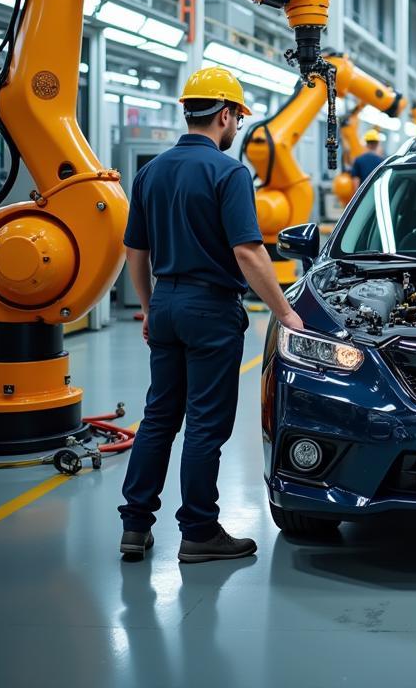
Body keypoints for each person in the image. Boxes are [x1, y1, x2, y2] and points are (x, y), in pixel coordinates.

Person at [118, 66, 305, 564]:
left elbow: (135, 250)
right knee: (204, 423)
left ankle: (135, 527)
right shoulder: (230, 173)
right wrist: (285, 313)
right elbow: (249, 252)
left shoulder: (150, 171)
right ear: (224, 115)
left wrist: (147, 306)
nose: (237, 128)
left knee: (158, 417)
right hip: (210, 310)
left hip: (167, 303)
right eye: (237, 119)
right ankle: (199, 531)